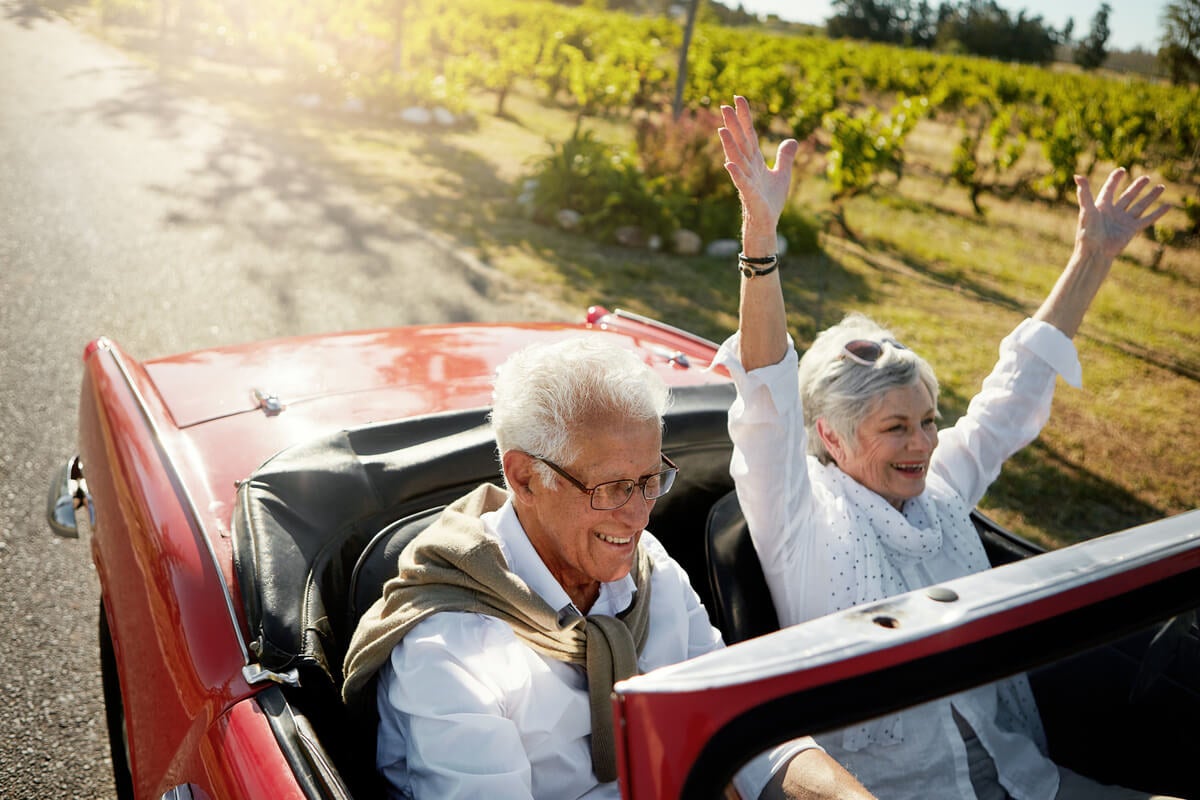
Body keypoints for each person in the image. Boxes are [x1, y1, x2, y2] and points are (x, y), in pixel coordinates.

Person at [713, 94, 1181, 800]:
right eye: (896, 429)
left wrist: (1091, 255)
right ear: (830, 437)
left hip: (1025, 776)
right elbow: (767, 391)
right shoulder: (798, 517)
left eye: (929, 421)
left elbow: (1011, 392)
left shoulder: (937, 490)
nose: (925, 445)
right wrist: (759, 234)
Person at [342, 336, 876, 800]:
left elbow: (740, 723)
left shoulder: (651, 572)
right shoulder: (449, 651)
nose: (640, 513)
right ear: (525, 478)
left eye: (650, 480)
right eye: (613, 487)